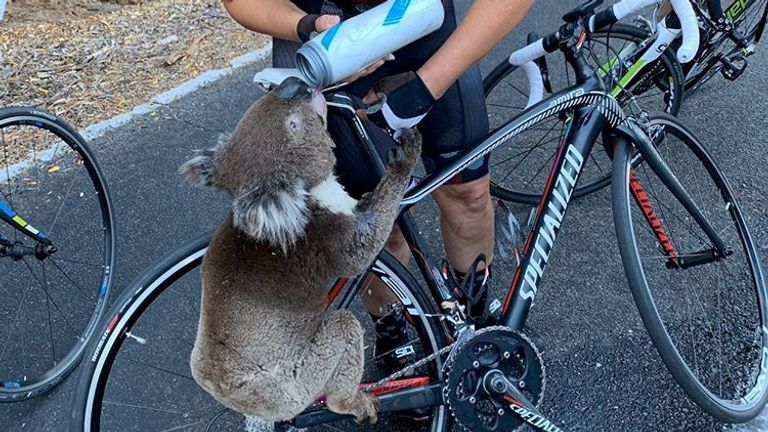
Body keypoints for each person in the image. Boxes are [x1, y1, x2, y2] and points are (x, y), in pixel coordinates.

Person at [221, 0, 533, 373]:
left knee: (468, 193)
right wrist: (306, 26)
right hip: (329, 44)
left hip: (424, 26)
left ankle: (474, 310)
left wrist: (427, 86)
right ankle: (392, 330)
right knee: (381, 223)